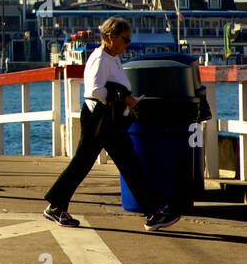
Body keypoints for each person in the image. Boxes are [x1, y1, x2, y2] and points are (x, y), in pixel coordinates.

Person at [44, 16, 180, 231]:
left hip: (110, 119)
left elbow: (112, 88)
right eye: (125, 39)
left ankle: (153, 212)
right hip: (99, 118)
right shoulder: (100, 59)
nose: (128, 44)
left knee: (128, 164)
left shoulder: (112, 58)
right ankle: (56, 205)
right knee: (86, 163)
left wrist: (127, 104)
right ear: (110, 37)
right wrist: (125, 98)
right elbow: (95, 91)